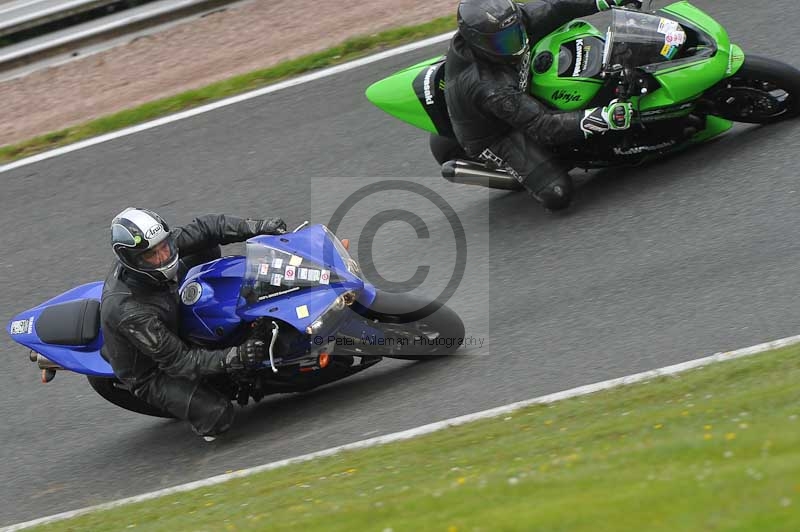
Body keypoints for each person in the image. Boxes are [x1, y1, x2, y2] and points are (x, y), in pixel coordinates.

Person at [100, 207, 287, 439]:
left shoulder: (157, 247)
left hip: (164, 301)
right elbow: (180, 362)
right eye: (152, 255)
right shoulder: (130, 311)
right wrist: (234, 357)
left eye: (165, 246)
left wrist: (258, 227)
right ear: (133, 261)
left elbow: (207, 228)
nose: (163, 257)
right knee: (217, 415)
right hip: (153, 370)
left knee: (205, 246)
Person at [445, 0, 641, 210]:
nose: (516, 43)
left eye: (517, 32)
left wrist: (603, 1)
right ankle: (519, 171)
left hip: (516, 88)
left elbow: (557, 6)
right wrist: (603, 118)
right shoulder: (487, 85)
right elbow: (542, 126)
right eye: (504, 42)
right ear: (479, 43)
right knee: (557, 193)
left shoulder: (508, 23)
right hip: (497, 133)